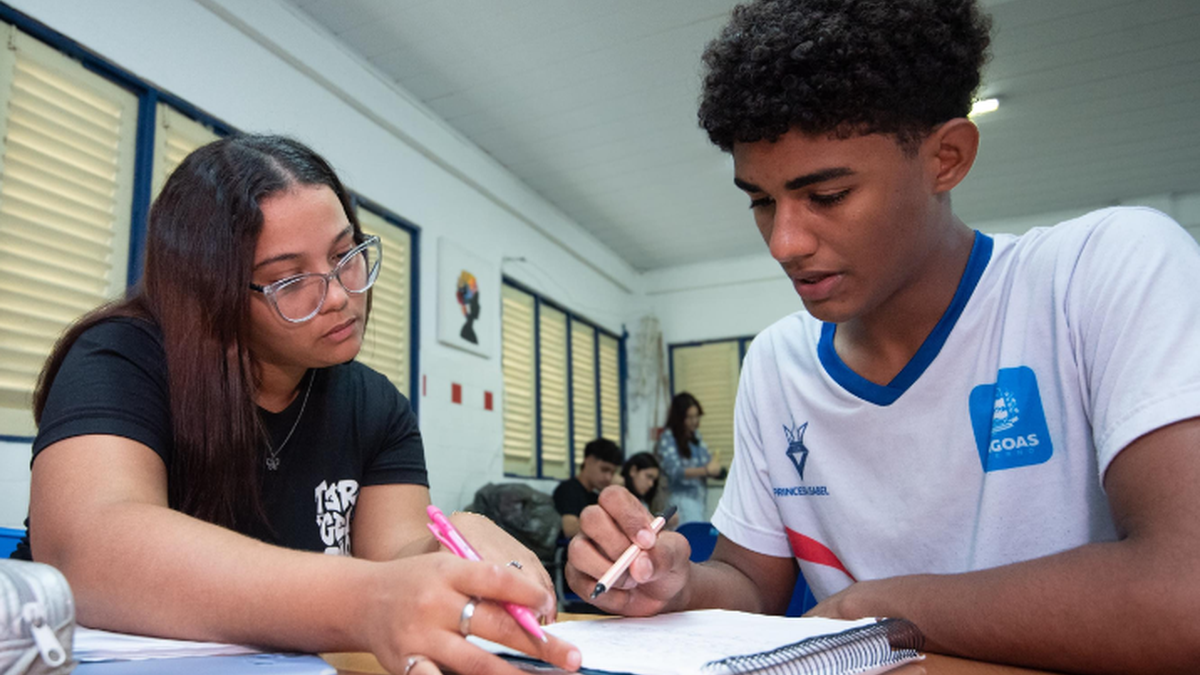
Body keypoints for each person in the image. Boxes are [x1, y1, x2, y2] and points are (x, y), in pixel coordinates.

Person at [565, 1, 1200, 673]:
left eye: (828, 195)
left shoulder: (1102, 273)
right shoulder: (779, 365)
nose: (783, 242)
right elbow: (751, 586)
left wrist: (871, 608)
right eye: (760, 200)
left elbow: (1184, 592)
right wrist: (675, 583)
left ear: (946, 158)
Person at [14, 135, 580, 675]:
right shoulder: (123, 357)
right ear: (211, 295)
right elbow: (89, 548)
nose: (338, 296)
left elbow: (396, 558)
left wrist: (456, 542)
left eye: (345, 255)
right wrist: (367, 599)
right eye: (288, 280)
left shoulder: (376, 405)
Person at [656, 393, 723, 524]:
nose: (694, 421)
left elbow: (706, 464)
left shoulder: (696, 437)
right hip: (680, 500)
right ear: (679, 418)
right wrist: (706, 471)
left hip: (700, 498)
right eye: (689, 417)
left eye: (696, 416)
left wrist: (717, 471)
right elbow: (674, 471)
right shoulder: (668, 438)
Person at [552, 438, 623, 539]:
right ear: (589, 460)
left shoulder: (594, 496)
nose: (608, 477)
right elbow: (570, 529)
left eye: (612, 473)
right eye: (604, 469)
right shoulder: (568, 489)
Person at [619, 453, 679, 530]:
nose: (651, 484)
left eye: (653, 480)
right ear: (633, 470)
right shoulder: (619, 497)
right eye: (648, 476)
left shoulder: (645, 501)